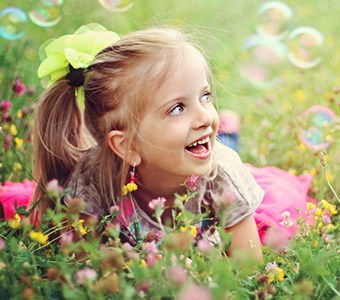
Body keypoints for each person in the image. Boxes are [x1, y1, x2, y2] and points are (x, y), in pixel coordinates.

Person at [30, 24, 264, 261]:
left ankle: (230, 133)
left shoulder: (224, 176)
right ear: (127, 146)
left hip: (205, 150)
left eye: (205, 96)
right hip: (193, 147)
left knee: (223, 145)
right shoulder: (94, 181)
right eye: (177, 108)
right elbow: (82, 265)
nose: (205, 117)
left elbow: (249, 270)